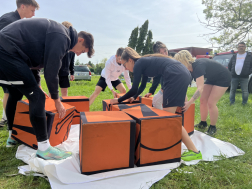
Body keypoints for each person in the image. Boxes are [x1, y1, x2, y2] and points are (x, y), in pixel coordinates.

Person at [0, 18, 94, 160]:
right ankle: (44, 149)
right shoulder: (63, 37)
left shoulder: (59, 34)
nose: (79, 54)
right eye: (83, 50)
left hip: (8, 51)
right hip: (7, 52)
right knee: (37, 97)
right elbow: (51, 72)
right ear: (80, 40)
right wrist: (56, 100)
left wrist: (36, 85)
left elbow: (35, 64)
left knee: (15, 92)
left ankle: (12, 136)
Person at [110, 47, 202, 161]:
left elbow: (134, 89)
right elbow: (141, 87)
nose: (125, 68)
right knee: (170, 117)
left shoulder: (139, 64)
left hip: (175, 75)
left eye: (124, 65)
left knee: (170, 118)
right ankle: (171, 144)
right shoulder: (142, 63)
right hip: (181, 73)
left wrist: (118, 100)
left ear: (129, 60)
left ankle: (194, 151)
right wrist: (133, 97)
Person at [0, 0, 39, 127]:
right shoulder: (9, 21)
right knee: (14, 93)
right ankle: (10, 124)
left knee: (15, 94)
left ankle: (12, 125)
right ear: (23, 7)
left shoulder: (20, 22)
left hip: (13, 66)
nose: (34, 14)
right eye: (32, 10)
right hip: (6, 66)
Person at [174, 50, 231, 135]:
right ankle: (203, 123)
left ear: (185, 61)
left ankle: (213, 127)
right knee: (203, 100)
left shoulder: (198, 66)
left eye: (179, 63)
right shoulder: (190, 70)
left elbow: (200, 88)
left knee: (211, 102)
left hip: (223, 77)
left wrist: (189, 102)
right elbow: (184, 84)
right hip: (212, 78)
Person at [144, 41, 168, 109]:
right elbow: (157, 77)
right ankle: (160, 118)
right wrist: (151, 91)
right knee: (155, 100)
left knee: (158, 101)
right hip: (165, 87)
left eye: (165, 51)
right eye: (161, 53)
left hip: (173, 86)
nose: (165, 54)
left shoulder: (173, 58)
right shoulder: (159, 63)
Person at [58, 21, 75, 97]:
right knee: (52, 91)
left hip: (65, 72)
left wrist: (72, 73)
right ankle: (50, 107)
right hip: (55, 71)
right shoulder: (58, 43)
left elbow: (72, 62)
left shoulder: (72, 47)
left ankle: (65, 107)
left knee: (64, 92)